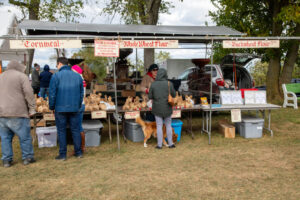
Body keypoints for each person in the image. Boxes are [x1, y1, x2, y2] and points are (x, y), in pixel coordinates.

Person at [0, 60, 36, 167]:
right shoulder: (22, 76)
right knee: (24, 137)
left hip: (2, 113)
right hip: (18, 112)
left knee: (5, 138)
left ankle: (6, 160)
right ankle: (27, 157)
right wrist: (32, 109)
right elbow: (29, 93)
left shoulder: (0, 76)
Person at [49, 57, 84, 161]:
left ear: (59, 64)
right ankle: (78, 153)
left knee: (61, 131)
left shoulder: (56, 76)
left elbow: (52, 94)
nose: (57, 67)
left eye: (57, 65)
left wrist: (52, 107)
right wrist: (77, 105)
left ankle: (63, 154)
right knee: (75, 130)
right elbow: (81, 94)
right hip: (74, 108)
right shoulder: (78, 77)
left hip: (60, 108)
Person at [148, 68, 176, 149]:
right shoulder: (169, 83)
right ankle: (171, 144)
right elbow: (173, 95)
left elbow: (150, 96)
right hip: (168, 107)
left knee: (159, 126)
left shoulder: (153, 84)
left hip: (157, 108)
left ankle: (159, 145)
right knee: (168, 125)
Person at [71, 65, 86, 153]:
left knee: (77, 127)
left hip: (78, 105)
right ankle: (81, 147)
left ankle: (80, 147)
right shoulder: (82, 79)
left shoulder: (78, 80)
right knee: (78, 126)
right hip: (81, 104)